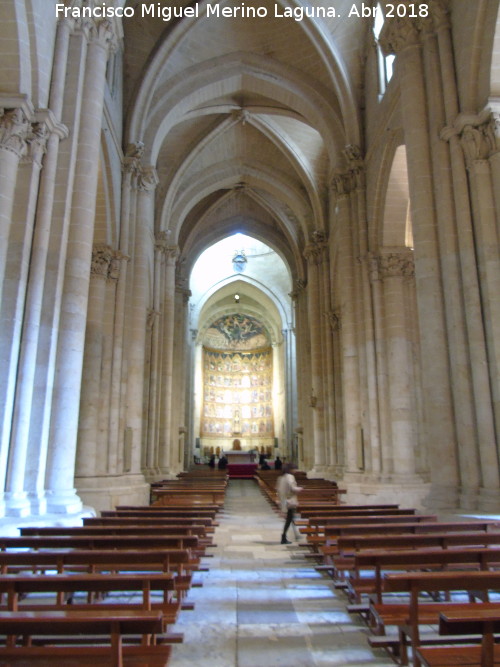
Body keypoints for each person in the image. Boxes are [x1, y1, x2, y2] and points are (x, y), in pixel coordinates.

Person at [276, 463, 303, 544]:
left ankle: (291, 535)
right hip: (290, 501)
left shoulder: (281, 477)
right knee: (289, 519)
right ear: (291, 469)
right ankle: (284, 537)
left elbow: (278, 489)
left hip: (284, 501)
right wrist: (300, 489)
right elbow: (293, 488)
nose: (295, 471)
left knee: (290, 518)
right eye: (295, 469)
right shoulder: (290, 477)